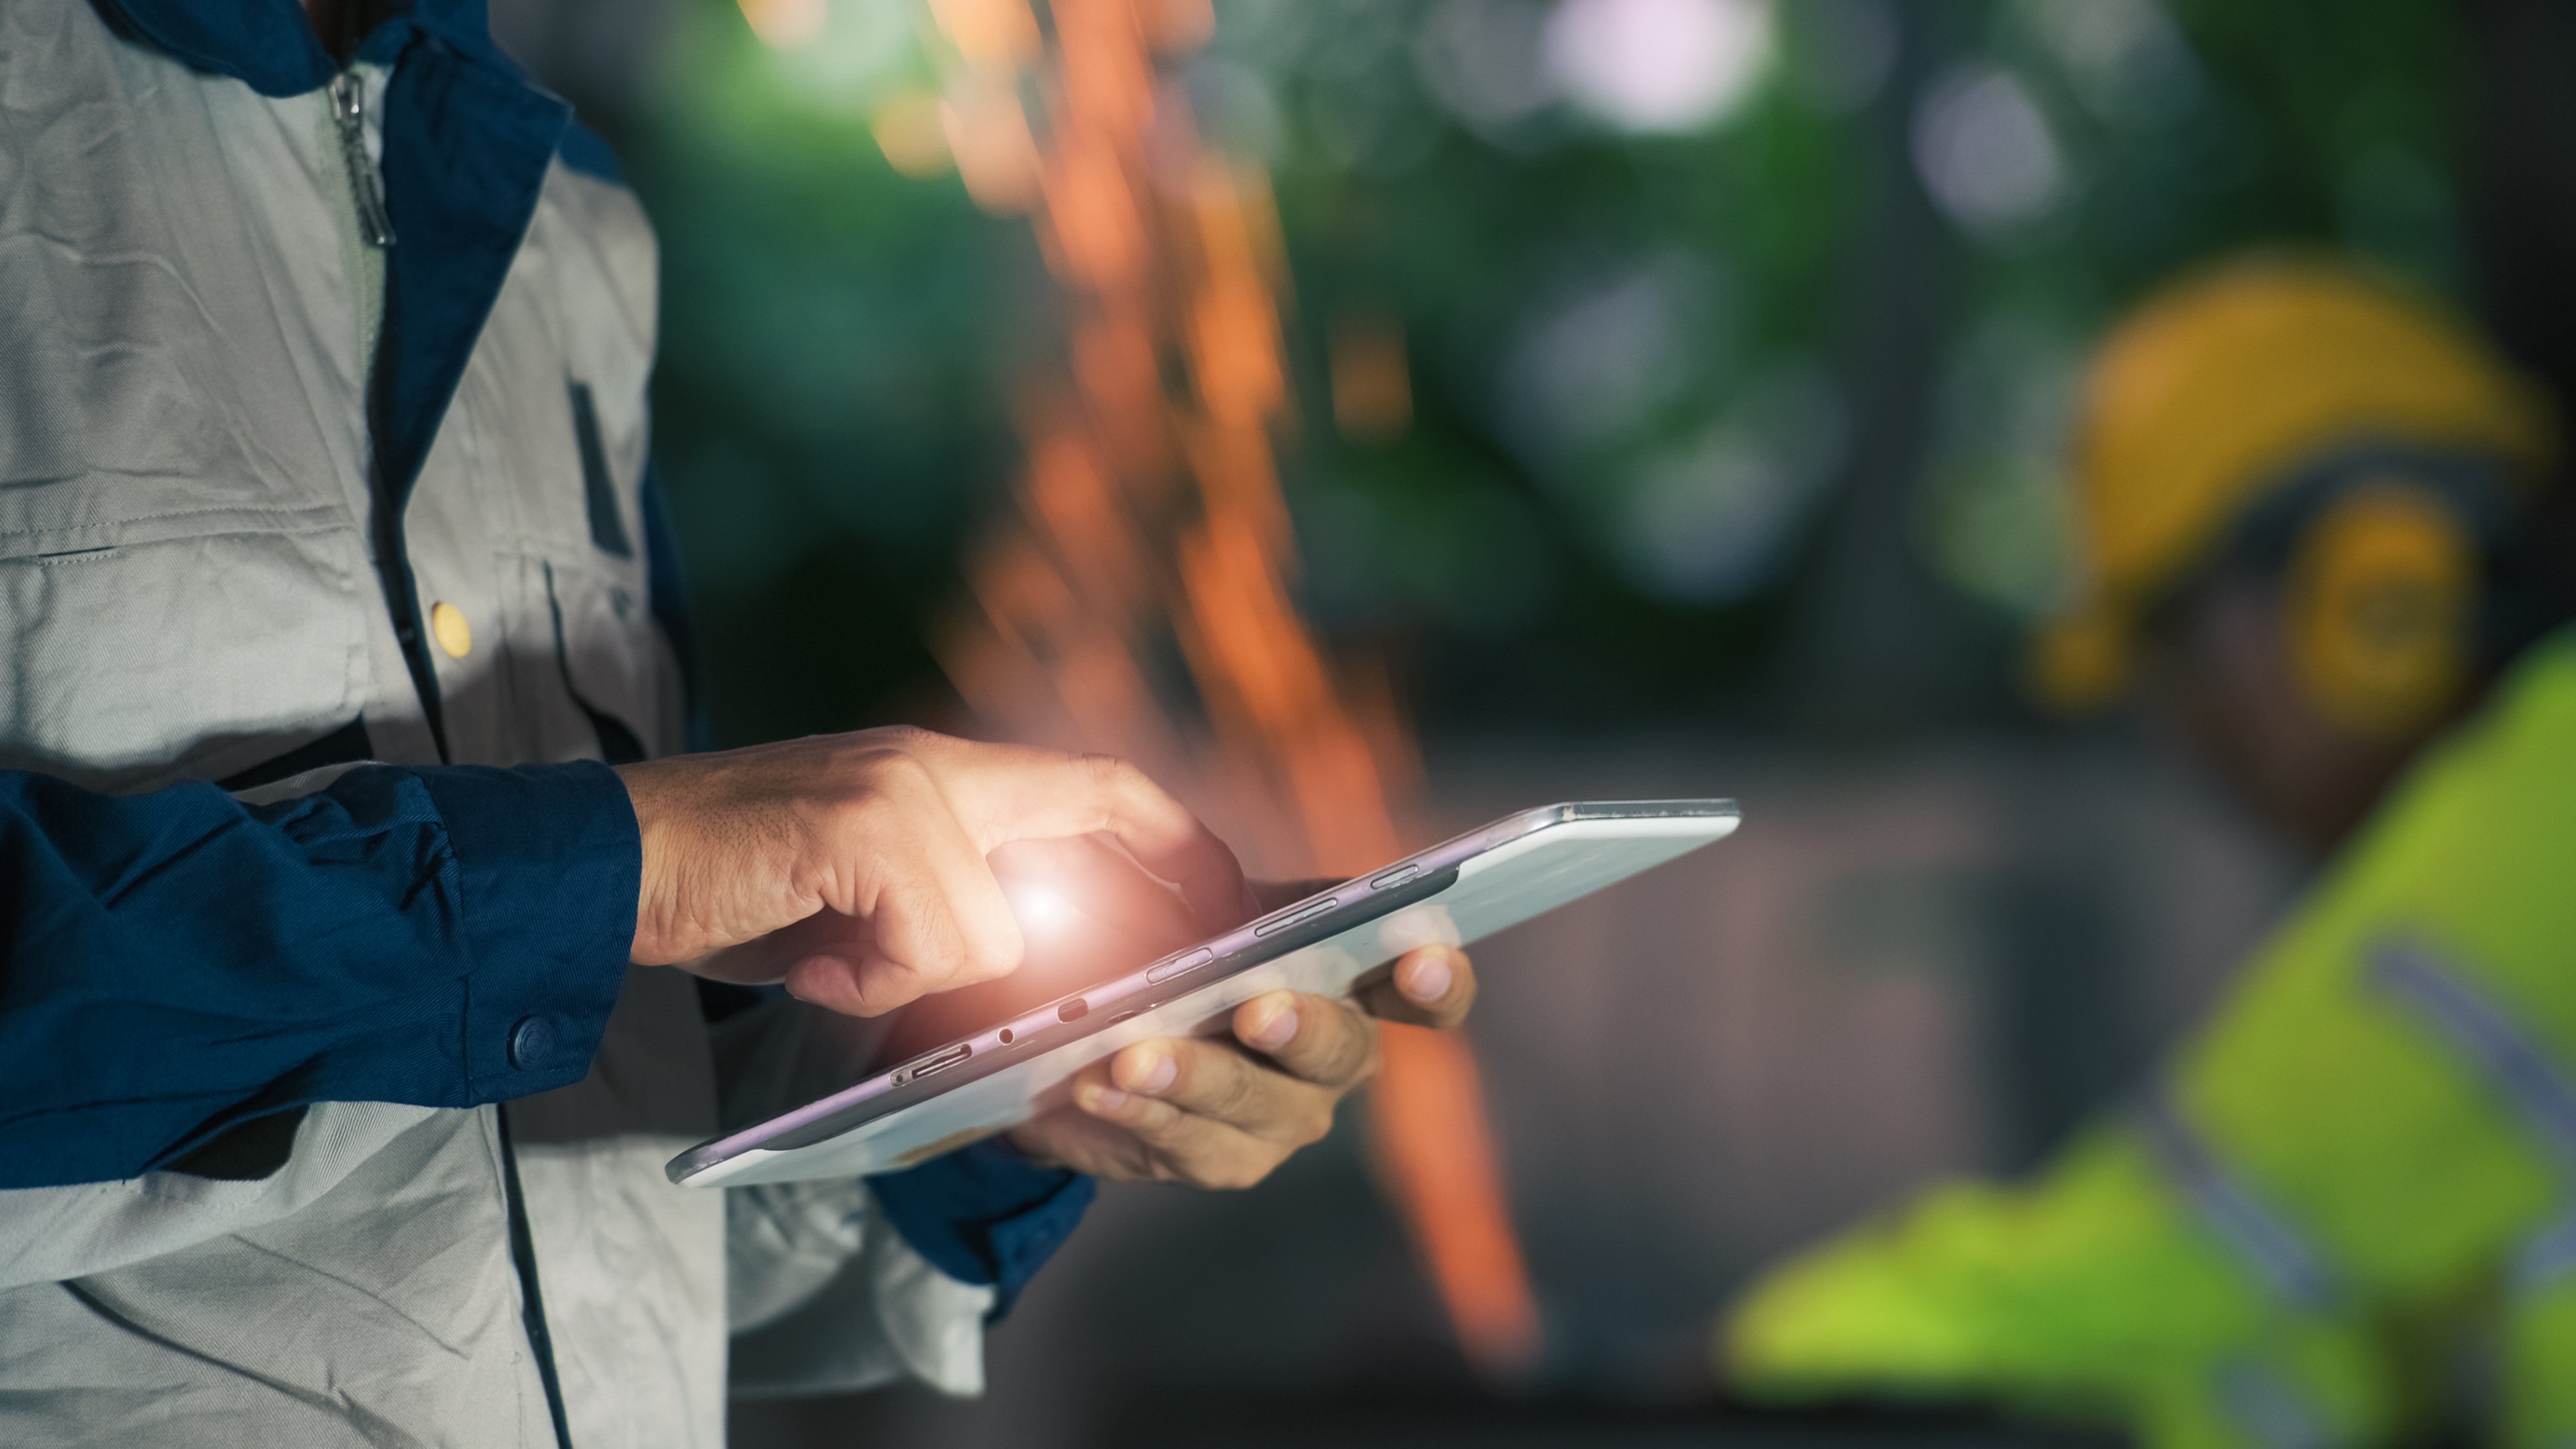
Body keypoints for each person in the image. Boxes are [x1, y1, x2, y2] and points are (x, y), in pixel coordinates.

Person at [0, 1, 1479, 1444]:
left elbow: (566, 1200)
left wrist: (978, 1089)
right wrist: (614, 870)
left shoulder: (562, 220)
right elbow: (571, 906)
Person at [1723, 256, 2576, 1449]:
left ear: (2380, 588)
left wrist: (1753, 1357)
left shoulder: (2530, 840)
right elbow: (2310, 1343)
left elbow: (2173, 1264)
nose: (2182, 728)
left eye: (2176, 640)